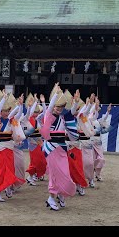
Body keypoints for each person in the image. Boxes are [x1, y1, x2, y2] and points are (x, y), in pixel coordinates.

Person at [40, 83, 79, 211]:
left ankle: (61, 195)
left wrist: (75, 102)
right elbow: (50, 107)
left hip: (62, 149)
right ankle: (51, 198)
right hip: (51, 149)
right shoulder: (48, 115)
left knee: (65, 174)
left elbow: (72, 113)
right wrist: (56, 94)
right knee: (55, 174)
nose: (59, 108)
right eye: (57, 106)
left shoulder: (63, 117)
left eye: (61, 106)